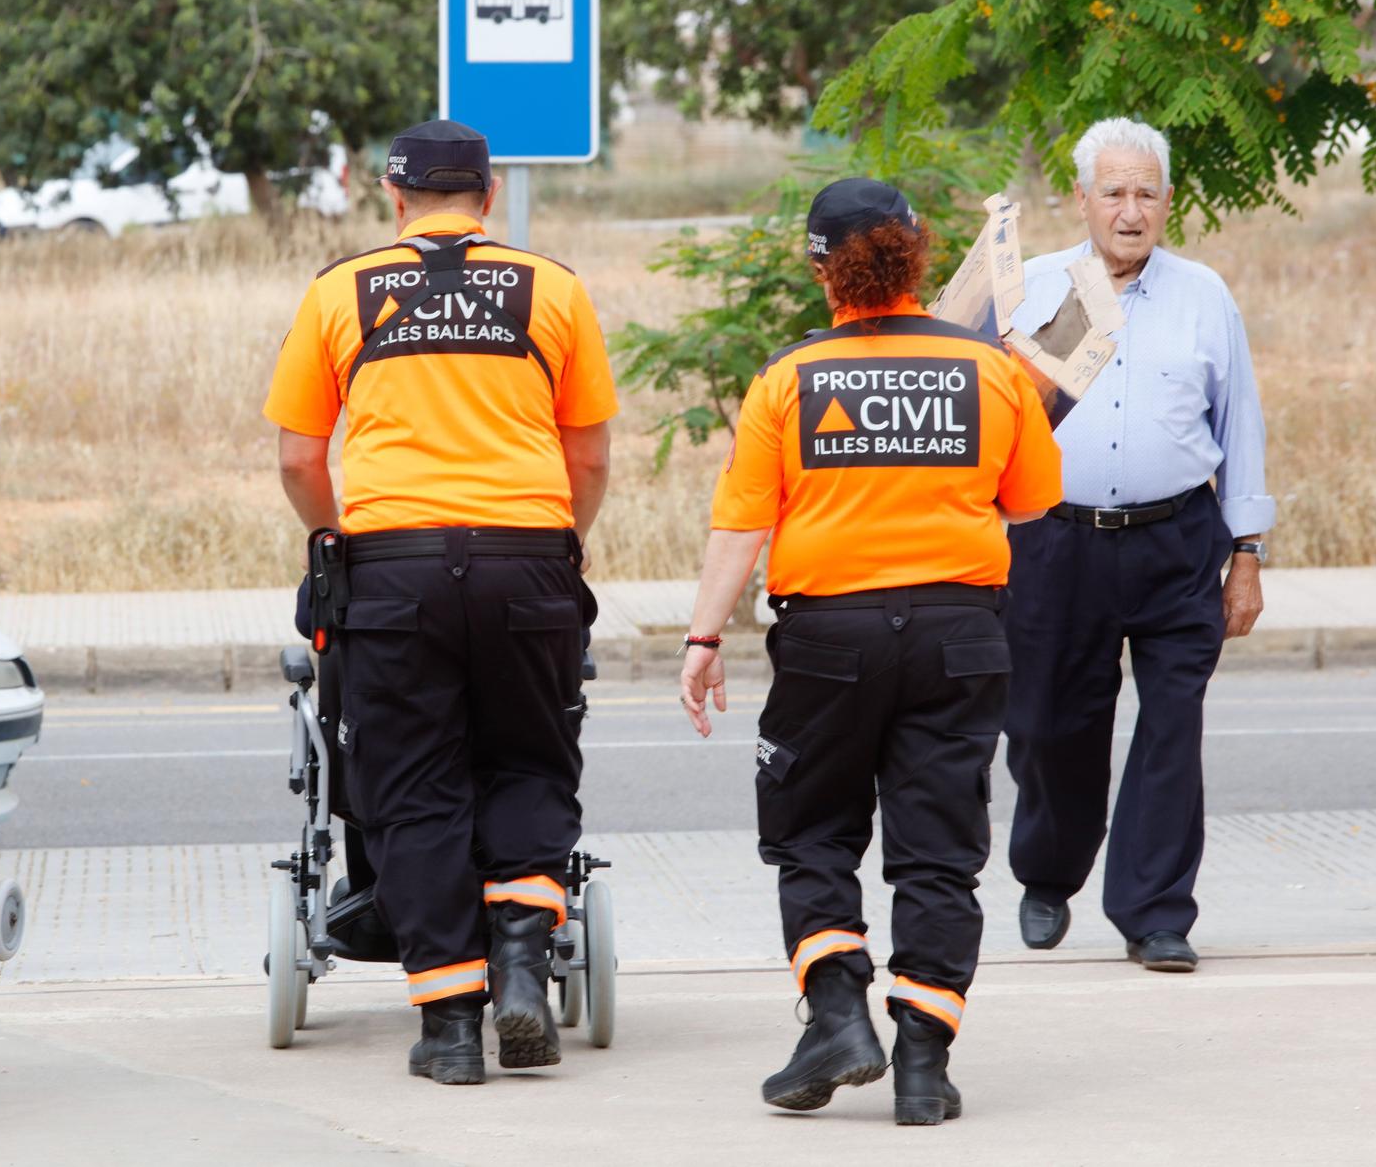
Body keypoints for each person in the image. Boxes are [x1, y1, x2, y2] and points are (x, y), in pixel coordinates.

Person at [678, 178, 1061, 1125]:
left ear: (823, 268)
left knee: (812, 830)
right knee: (938, 852)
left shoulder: (789, 376)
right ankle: (924, 1067)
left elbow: (741, 525)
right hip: (960, 634)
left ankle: (840, 1014)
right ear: (919, 256)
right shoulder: (991, 366)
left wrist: (703, 635)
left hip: (828, 638)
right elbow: (1032, 503)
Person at [263, 119, 616, 1084]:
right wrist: (561, 536)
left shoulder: (342, 291)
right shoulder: (555, 288)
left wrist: (336, 535)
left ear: (395, 199)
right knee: (531, 757)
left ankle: (451, 1026)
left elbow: (299, 455)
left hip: (394, 568)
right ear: (489, 196)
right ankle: (517, 961)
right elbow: (587, 451)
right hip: (526, 559)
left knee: (413, 785)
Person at [1004, 118, 1274, 975]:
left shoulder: (1203, 294)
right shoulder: (1030, 289)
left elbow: (1242, 426)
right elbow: (984, 420)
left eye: (1147, 192)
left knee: (1171, 727)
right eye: (1113, 192)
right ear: (1079, 199)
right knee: (1049, 726)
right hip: (1053, 543)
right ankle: (1048, 871)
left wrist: (1248, 550)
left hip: (1176, 543)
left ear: (1166, 201)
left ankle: (1154, 911)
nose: (1130, 210)